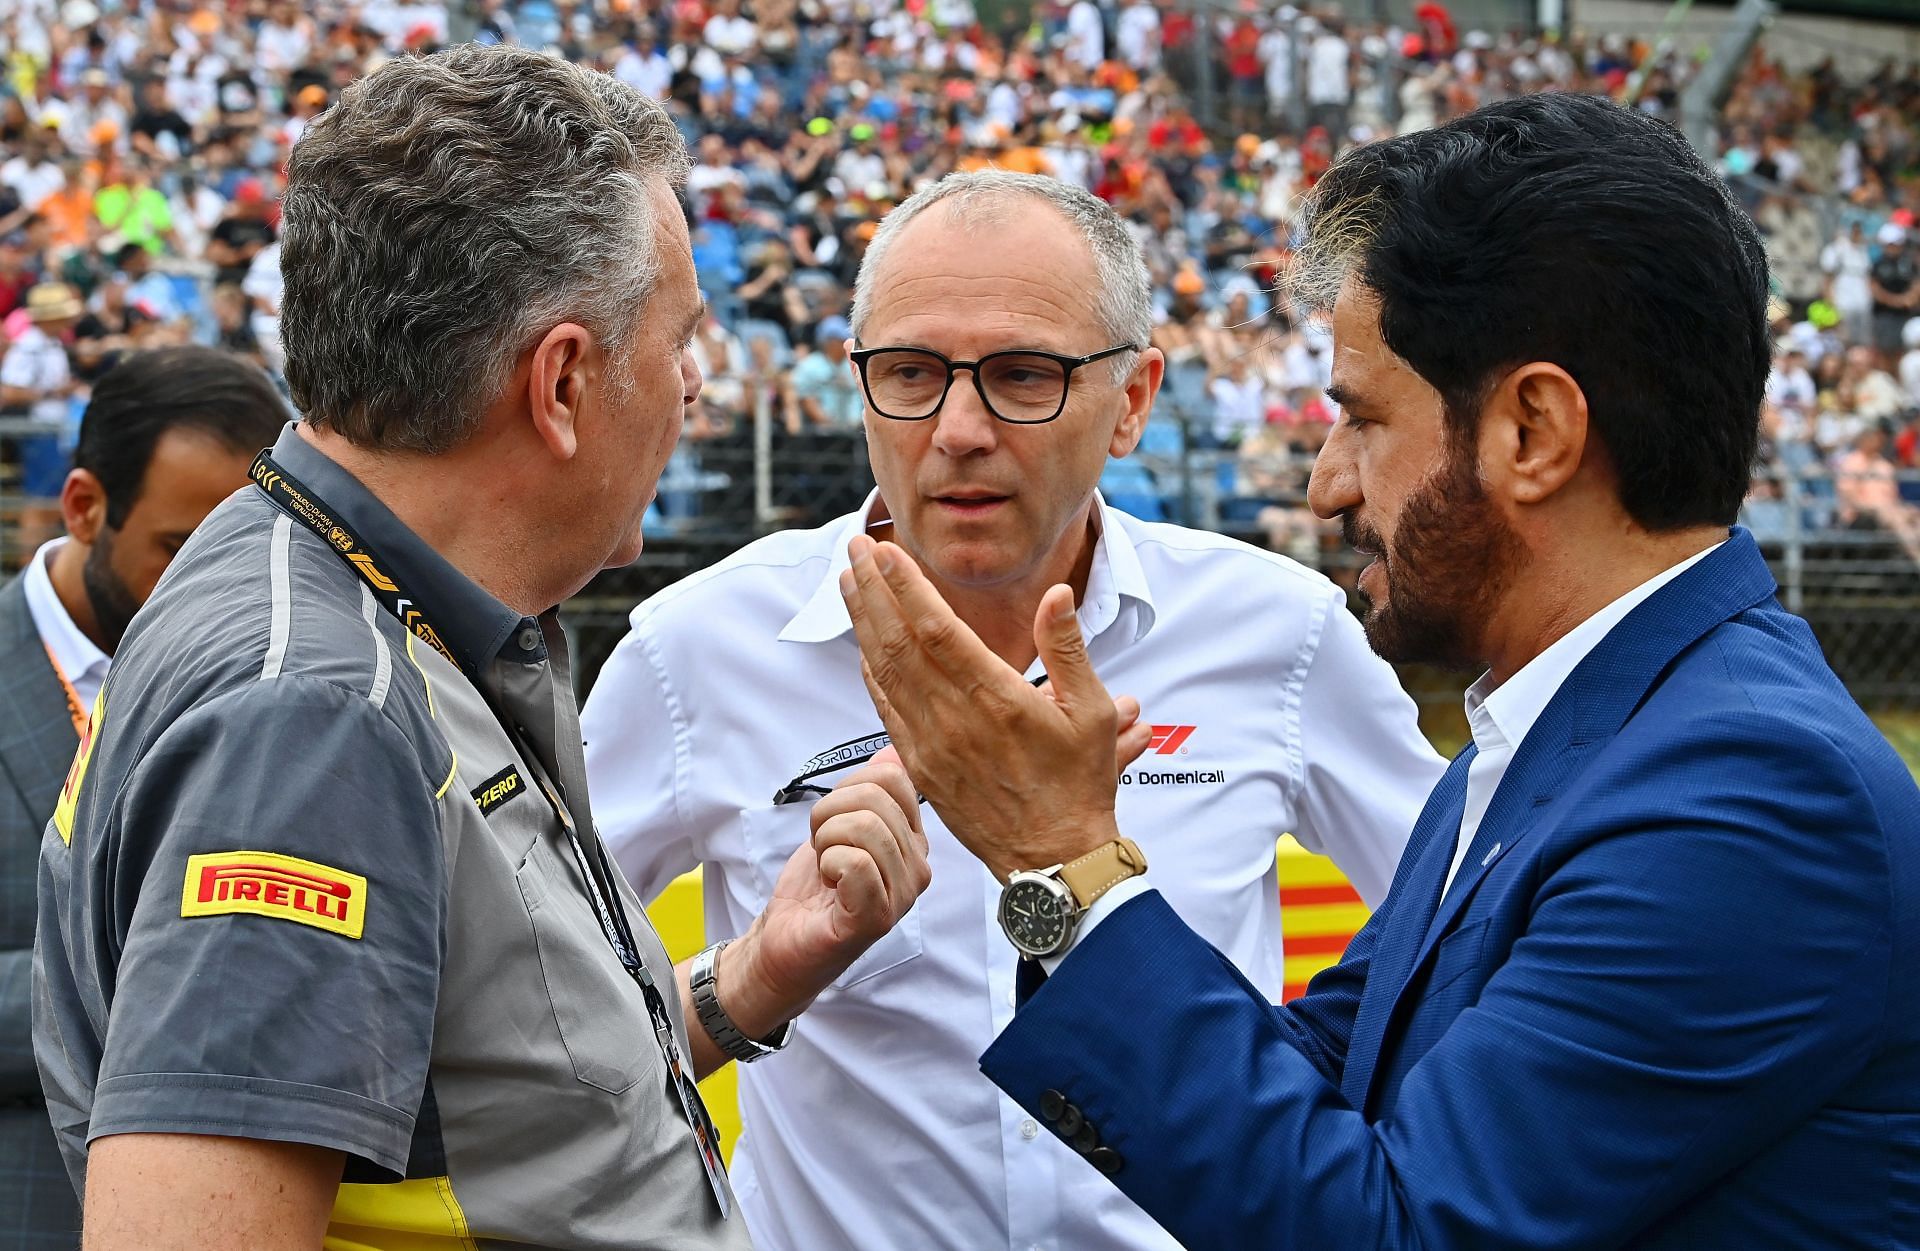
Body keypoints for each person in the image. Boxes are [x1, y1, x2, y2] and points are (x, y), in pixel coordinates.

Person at [838, 95, 1920, 1248]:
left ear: (1533, 433)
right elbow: (1327, 1084)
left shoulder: (1747, 799)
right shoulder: (1556, 743)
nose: (1326, 487)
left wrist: (1063, 856)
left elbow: (1394, 1228)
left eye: (1361, 418)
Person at [34, 46, 929, 1251]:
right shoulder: (317, 711)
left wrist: (760, 971)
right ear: (561, 383)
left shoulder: (349, 597)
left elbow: (476, 1109)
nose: (697, 389)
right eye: (680, 341)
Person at [582, 171, 1441, 1251]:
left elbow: (1462, 944)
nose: (959, 429)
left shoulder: (1280, 631)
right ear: (859, 388)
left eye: (1023, 376)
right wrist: (756, 976)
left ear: (1132, 400)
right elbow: (540, 1034)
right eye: (909, 373)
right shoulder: (693, 650)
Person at [1, 346, 286, 1250]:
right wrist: (182, 971)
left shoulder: (283, 676)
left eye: (246, 548)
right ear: (85, 506)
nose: (219, 588)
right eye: (180, 548)